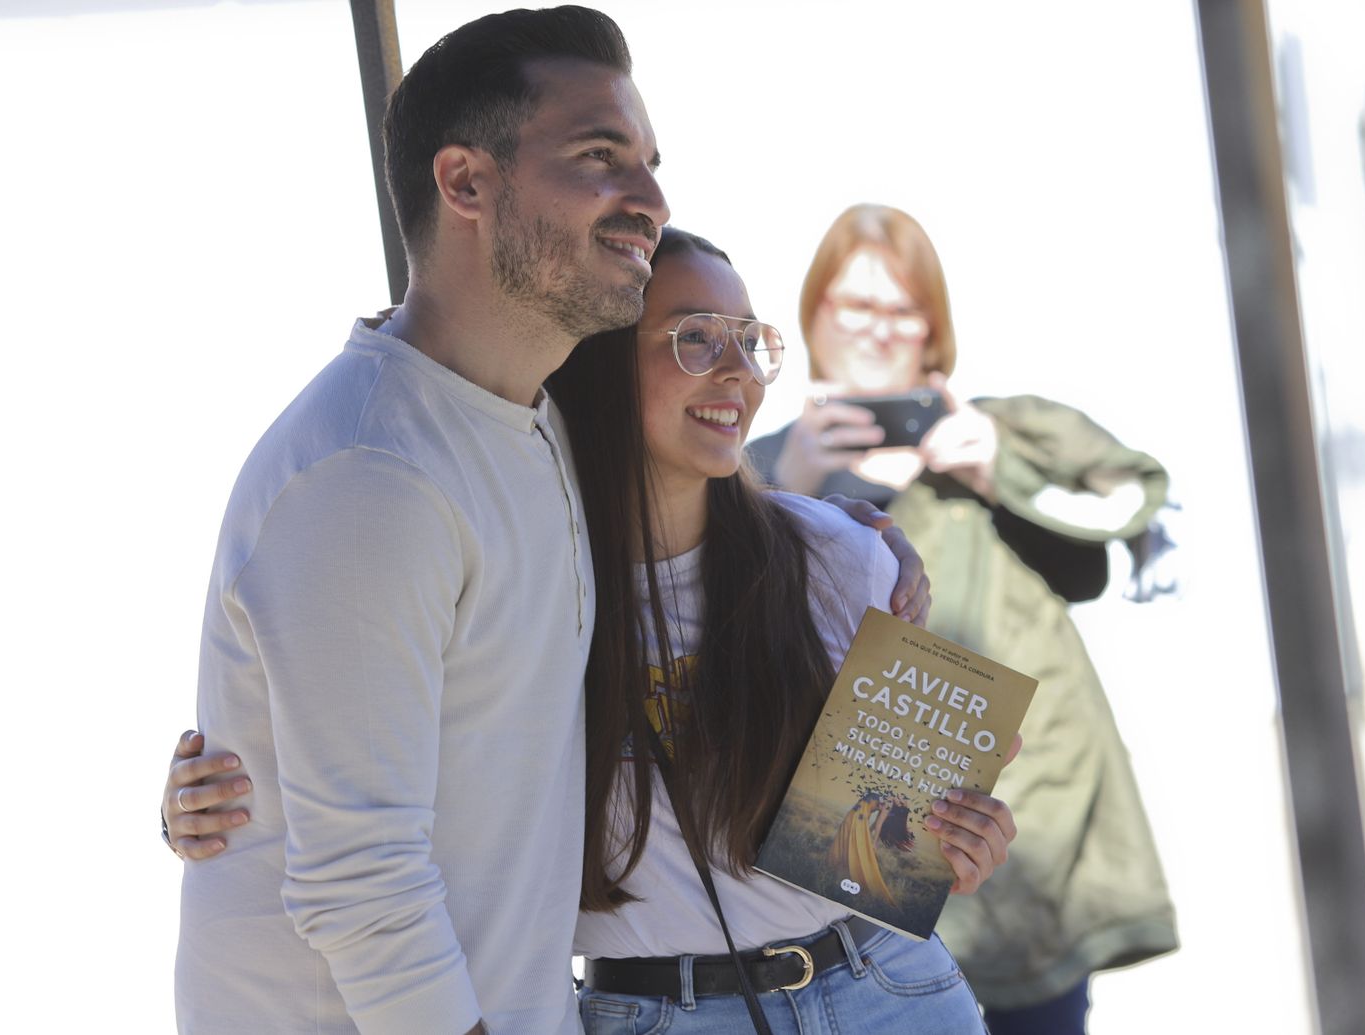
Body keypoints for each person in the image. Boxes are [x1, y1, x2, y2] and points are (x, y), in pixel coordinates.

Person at [169, 12, 923, 1035]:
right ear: (466, 184)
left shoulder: (526, 426)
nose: (651, 199)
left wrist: (849, 539)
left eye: (651, 163)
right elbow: (361, 885)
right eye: (598, 157)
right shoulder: (370, 477)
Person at [746, 203, 1179, 1034]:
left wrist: (997, 467)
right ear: (812, 318)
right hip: (848, 876)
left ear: (933, 331)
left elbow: (1132, 501)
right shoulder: (749, 469)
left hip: (1020, 854)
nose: (876, 330)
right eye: (853, 306)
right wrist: (786, 471)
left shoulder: (1001, 431)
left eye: (900, 309)